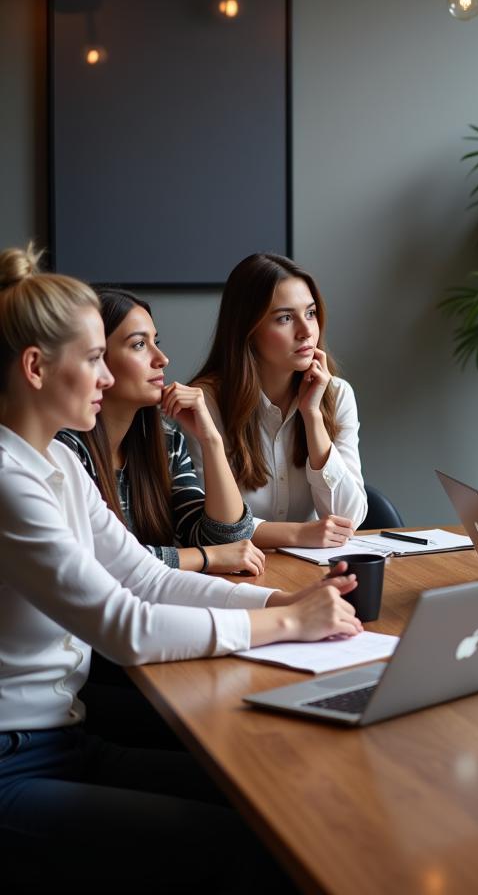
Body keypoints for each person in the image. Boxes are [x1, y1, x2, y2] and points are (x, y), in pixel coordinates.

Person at [0, 244, 364, 891]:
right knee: (244, 845)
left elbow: (145, 575)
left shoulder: (53, 462)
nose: (109, 377)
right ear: (35, 367)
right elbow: (125, 626)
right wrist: (286, 628)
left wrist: (277, 606)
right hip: (17, 767)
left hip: (65, 741)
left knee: (272, 797)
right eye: (93, 360)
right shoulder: (10, 482)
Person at [57, 288, 263, 575]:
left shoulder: (166, 442)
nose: (162, 358)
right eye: (139, 344)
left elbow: (230, 540)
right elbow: (99, 558)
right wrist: (206, 557)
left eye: (156, 341)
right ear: (96, 357)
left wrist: (210, 440)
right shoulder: (64, 448)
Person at [190, 252, 368, 549]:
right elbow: (211, 523)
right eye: (285, 318)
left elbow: (347, 517)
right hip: (233, 573)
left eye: (310, 313)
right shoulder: (205, 404)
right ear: (248, 330)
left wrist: (312, 417)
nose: (306, 330)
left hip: (312, 570)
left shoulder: (336, 394)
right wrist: (297, 534)